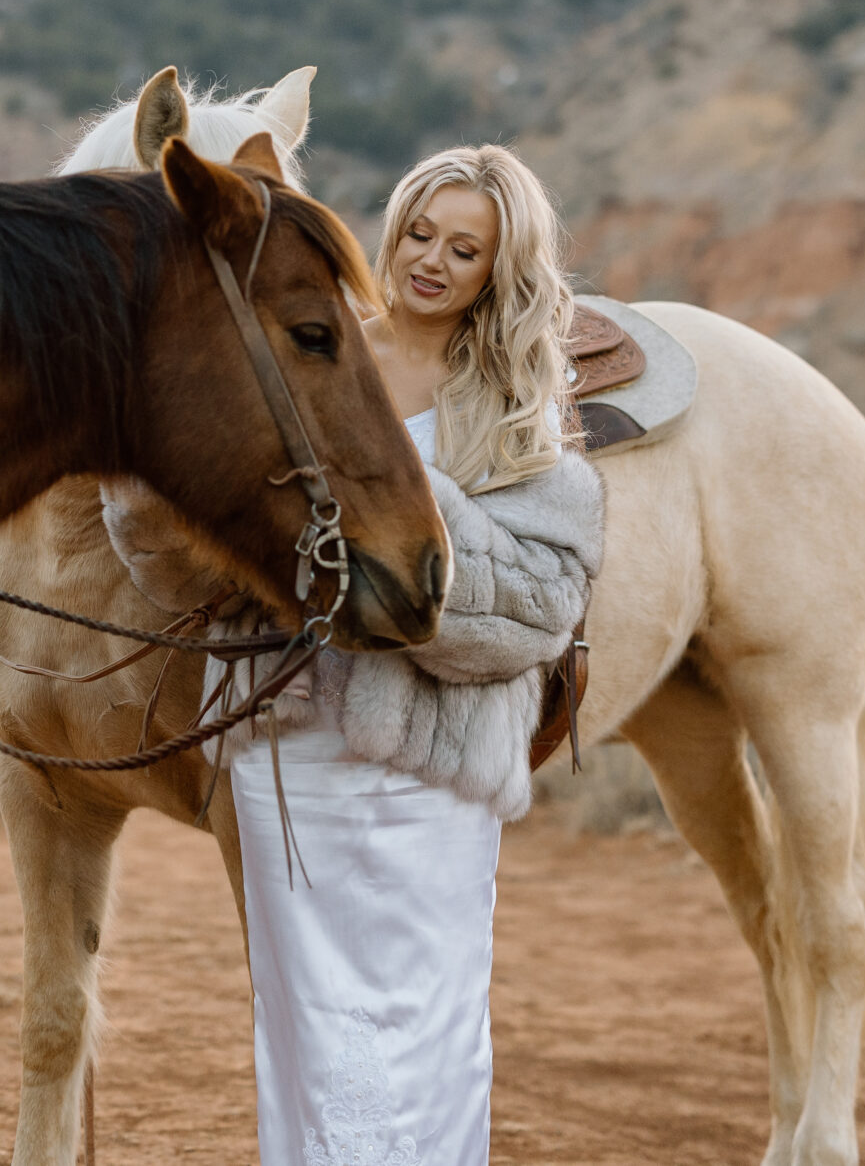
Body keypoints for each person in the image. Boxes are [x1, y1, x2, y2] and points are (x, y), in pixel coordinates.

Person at [110, 144, 604, 1166]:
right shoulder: (309, 354)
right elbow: (180, 559)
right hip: (290, 754)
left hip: (432, 765)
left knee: (429, 1024)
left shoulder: (512, 402)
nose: (430, 261)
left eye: (464, 249)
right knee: (304, 1022)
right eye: (419, 232)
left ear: (496, 269)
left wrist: (389, 511)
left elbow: (538, 606)